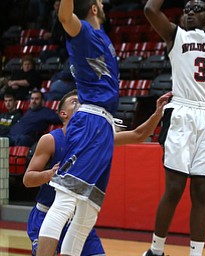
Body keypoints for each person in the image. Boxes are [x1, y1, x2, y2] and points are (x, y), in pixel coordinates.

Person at [143, 0, 205, 256]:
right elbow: (150, 9)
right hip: (181, 111)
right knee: (174, 187)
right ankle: (156, 251)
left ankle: (196, 254)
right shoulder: (175, 35)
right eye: (187, 9)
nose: (190, 12)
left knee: (201, 190)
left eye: (197, 9)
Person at [36, 0, 120, 255]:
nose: (104, 3)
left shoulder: (101, 36)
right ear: (93, 9)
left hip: (104, 125)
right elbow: (64, 16)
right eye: (99, 2)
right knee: (64, 202)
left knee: (86, 214)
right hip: (92, 120)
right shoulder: (82, 32)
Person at [23, 90, 105, 256]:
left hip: (76, 218)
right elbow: (27, 179)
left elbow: (136, 135)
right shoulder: (50, 140)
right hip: (46, 214)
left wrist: (156, 115)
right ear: (63, 113)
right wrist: (49, 175)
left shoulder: (91, 140)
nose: (80, 104)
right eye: (75, 101)